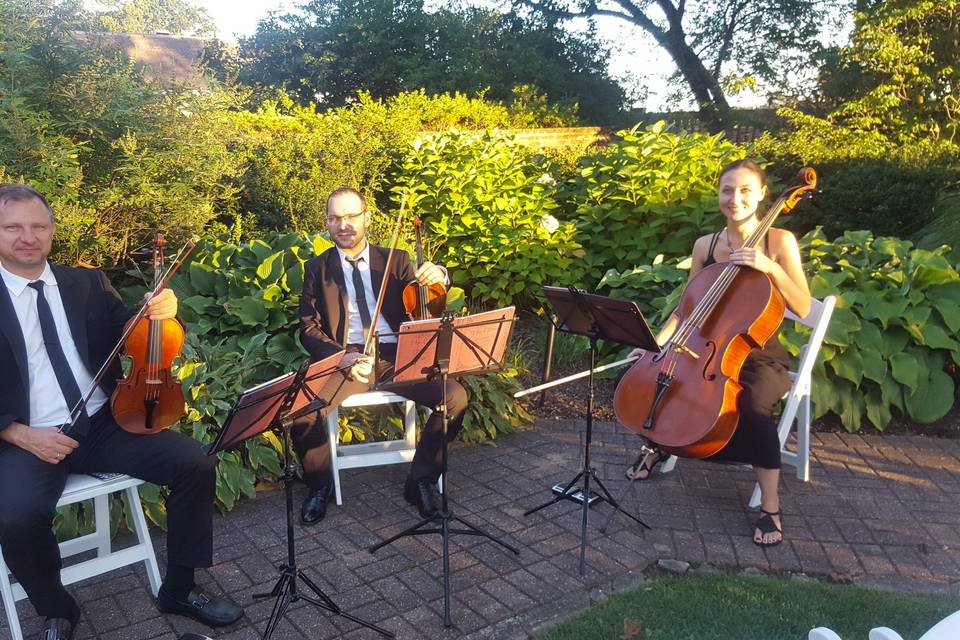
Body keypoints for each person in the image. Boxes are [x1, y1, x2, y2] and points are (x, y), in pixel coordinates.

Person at [0, 185, 242, 640]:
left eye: (38, 226)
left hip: (103, 422)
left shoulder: (86, 284)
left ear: (52, 231)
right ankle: (57, 609)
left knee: (196, 462)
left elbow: (135, 333)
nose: (27, 236)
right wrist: (19, 434)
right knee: (14, 517)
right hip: (25, 437)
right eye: (13, 227)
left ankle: (179, 589)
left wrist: (160, 315)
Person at [623, 159, 811, 548]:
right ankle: (659, 445)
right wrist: (656, 343)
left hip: (758, 352)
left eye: (745, 190)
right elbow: (686, 308)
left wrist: (770, 269)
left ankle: (771, 508)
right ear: (719, 195)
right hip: (703, 346)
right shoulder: (705, 246)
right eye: (728, 190)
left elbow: (804, 306)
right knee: (657, 377)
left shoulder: (778, 242)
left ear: (761, 194)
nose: (735, 198)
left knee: (755, 410)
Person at [293, 187, 469, 525]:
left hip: (397, 355)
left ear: (366, 218)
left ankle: (421, 481)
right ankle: (319, 487)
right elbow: (309, 328)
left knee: (455, 397)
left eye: (350, 216)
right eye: (334, 218)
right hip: (347, 359)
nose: (343, 225)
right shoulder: (317, 268)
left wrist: (440, 276)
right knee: (303, 409)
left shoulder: (397, 260)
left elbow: (425, 296)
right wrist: (341, 356)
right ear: (327, 223)